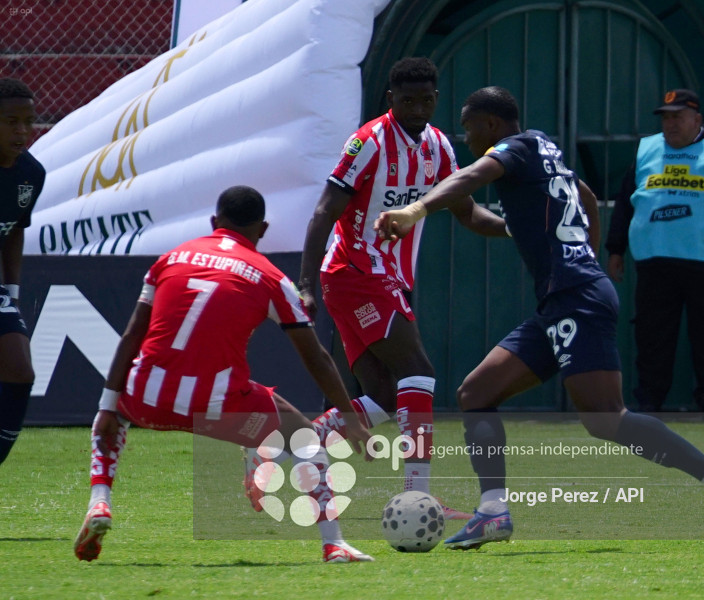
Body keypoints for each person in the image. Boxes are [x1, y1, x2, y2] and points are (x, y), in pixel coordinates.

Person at [374, 86, 704, 549]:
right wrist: (568, 246)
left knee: (605, 418)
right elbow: (583, 199)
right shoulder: (543, 147)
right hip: (562, 300)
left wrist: (415, 209)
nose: (466, 137)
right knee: (476, 393)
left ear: (491, 125)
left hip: (577, 298)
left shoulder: (513, 149)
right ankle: (493, 512)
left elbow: (473, 176)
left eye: (469, 128)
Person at [74, 186, 375, 564]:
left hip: (147, 400)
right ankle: (334, 544)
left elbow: (131, 336)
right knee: (306, 441)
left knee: (113, 415)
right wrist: (349, 417)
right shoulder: (271, 278)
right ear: (262, 229)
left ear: (214, 221)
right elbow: (316, 357)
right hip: (219, 408)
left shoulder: (170, 259)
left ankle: (100, 500)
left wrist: (107, 406)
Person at [290, 57, 507, 520]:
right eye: (408, 101)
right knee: (419, 371)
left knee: (386, 397)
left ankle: (293, 447)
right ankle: (417, 495)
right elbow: (325, 211)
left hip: (389, 279)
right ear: (391, 99)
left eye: (426, 100)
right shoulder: (368, 142)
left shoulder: (438, 147)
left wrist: (516, 229)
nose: (418, 109)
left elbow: (468, 213)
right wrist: (304, 284)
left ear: (436, 99)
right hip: (354, 272)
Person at [605, 89, 704, 413]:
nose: (671, 124)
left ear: (697, 120)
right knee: (652, 335)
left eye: (678, 117)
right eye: (666, 117)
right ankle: (650, 400)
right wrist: (615, 249)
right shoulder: (647, 149)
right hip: (655, 259)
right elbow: (625, 202)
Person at [0, 78, 44, 466]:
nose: (22, 131)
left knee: (20, 370)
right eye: (11, 122)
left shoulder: (31, 173)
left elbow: (14, 228)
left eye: (28, 122)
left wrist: (12, 291)